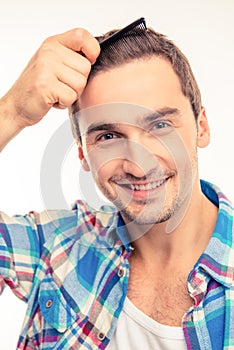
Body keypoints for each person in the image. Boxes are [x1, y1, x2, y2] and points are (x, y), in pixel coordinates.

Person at [0, 20, 233, 350]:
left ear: (202, 127)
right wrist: (10, 112)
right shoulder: (54, 249)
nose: (138, 165)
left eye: (160, 125)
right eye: (108, 136)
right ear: (83, 155)